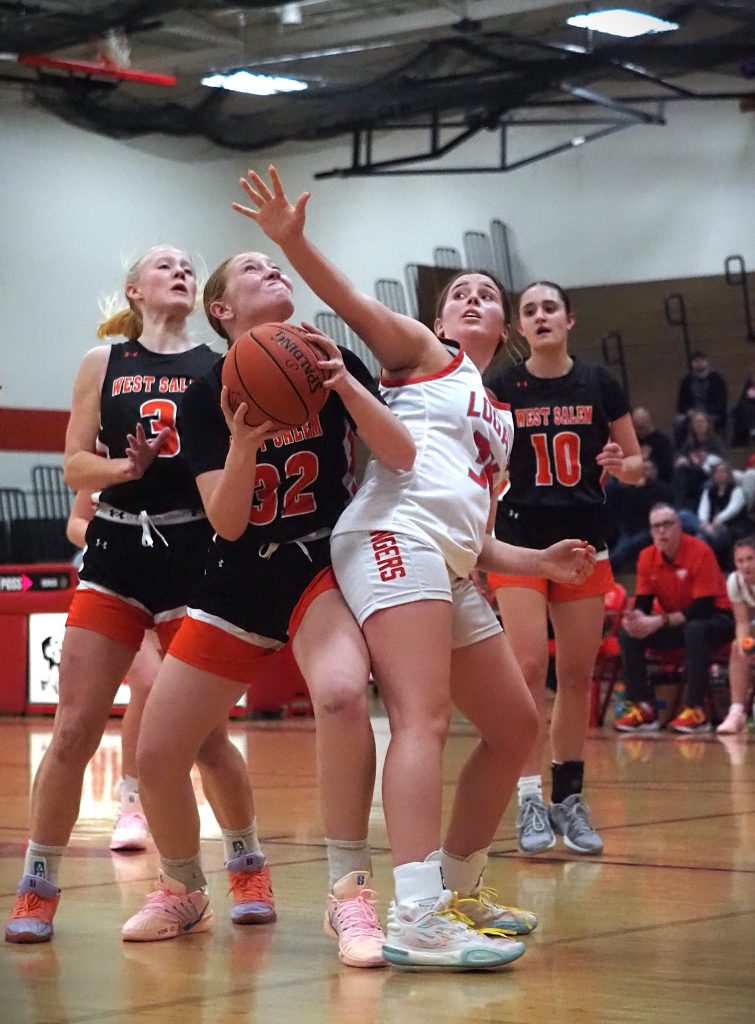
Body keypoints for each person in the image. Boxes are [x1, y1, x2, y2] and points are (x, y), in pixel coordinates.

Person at [235, 165, 597, 970]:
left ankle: (461, 887)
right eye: (459, 292)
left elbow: (479, 533)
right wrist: (293, 241)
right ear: (438, 316)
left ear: (501, 327)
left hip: (449, 559)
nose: (472, 299)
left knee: (512, 727)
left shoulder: (498, 417)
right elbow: (355, 306)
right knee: (423, 720)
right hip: (390, 536)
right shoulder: (424, 353)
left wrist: (539, 559)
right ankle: (416, 911)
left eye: (486, 296)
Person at [121, 248, 417, 969]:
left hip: (317, 561)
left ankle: (348, 890)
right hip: (235, 575)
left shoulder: (329, 355)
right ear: (222, 310)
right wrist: (248, 440)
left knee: (344, 695)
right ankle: (183, 888)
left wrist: (346, 386)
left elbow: (399, 455)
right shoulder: (202, 395)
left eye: (274, 265)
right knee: (157, 757)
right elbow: (225, 521)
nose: (272, 271)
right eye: (253, 269)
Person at [4, 245, 248, 945]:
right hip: (115, 548)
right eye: (164, 264)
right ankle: (37, 887)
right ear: (134, 289)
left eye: (188, 266)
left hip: (196, 551)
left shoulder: (224, 363)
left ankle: (244, 864)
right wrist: (123, 466)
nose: (180, 271)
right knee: (75, 730)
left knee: (206, 741)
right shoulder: (101, 364)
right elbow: (73, 463)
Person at [484, 281, 642, 857]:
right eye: (530, 310)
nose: (541, 316)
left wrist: (621, 466)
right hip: (521, 539)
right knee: (527, 668)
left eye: (550, 307)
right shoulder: (500, 387)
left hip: (583, 543)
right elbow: (480, 466)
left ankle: (568, 798)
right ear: (519, 329)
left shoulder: (600, 383)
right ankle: (528, 796)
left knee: (576, 675)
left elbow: (637, 466)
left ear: (569, 319)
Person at [66, 487, 161, 851]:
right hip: (112, 579)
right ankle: (131, 807)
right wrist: (112, 534)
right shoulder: (108, 447)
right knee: (147, 683)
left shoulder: (185, 444)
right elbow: (75, 522)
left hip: (177, 578)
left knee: (190, 713)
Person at [614, 503, 735, 734]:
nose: (661, 531)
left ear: (679, 527)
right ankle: (643, 707)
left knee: (695, 629)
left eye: (667, 525)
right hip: (679, 622)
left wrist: (660, 621)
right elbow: (644, 602)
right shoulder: (647, 557)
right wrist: (636, 618)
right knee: (629, 634)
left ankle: (696, 710)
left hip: (717, 620)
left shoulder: (700, 551)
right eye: (655, 527)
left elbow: (703, 607)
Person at [716, 536, 755, 734]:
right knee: (737, 648)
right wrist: (745, 647)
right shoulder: (735, 582)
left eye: (750, 559)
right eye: (741, 561)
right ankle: (737, 712)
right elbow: (742, 622)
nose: (745, 565)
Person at [609, 458, 673, 573]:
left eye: (647, 468)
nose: (644, 471)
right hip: (630, 529)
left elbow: (653, 509)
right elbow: (624, 509)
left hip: (650, 529)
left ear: (654, 471)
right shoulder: (629, 488)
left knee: (625, 549)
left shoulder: (661, 488)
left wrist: (641, 489)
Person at [697, 461, 748, 571]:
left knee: (718, 535)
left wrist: (719, 519)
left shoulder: (737, 490)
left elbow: (733, 509)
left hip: (732, 525)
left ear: (728, 473)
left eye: (723, 471)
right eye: (716, 472)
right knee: (700, 538)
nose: (719, 474)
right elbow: (703, 507)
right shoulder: (709, 491)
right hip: (710, 526)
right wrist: (704, 521)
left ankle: (709, 563)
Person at [673, 350, 728, 446]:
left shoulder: (716, 378)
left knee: (711, 420)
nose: (699, 364)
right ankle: (682, 449)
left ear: (706, 361)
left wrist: (706, 412)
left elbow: (722, 400)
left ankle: (713, 446)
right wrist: (689, 412)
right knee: (678, 421)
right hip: (692, 412)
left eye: (701, 361)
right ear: (692, 364)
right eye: (696, 362)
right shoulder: (687, 380)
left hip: (712, 412)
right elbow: (681, 403)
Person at [632, 407, 674, 483]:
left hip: (656, 481)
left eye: (642, 427)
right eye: (636, 427)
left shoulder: (662, 440)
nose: (639, 430)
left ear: (649, 422)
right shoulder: (631, 441)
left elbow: (667, 466)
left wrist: (652, 468)